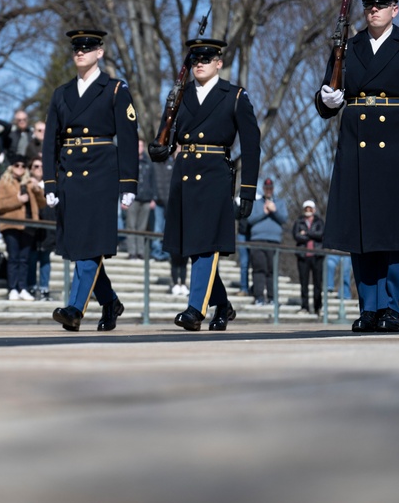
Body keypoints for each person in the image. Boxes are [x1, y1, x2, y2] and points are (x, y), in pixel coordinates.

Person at [315, 0, 399, 333]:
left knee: (394, 233)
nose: (374, 9)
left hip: (398, 149)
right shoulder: (349, 46)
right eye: (369, 4)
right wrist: (326, 100)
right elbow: (329, 93)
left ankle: (391, 306)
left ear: (395, 9)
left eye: (382, 4)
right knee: (361, 233)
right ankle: (368, 307)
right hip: (355, 147)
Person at [149, 37, 260, 330]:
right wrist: (158, 148)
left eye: (206, 60)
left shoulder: (234, 96)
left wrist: (248, 190)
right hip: (184, 175)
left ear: (219, 63)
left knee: (205, 246)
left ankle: (195, 310)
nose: (200, 64)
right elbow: (166, 136)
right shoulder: (179, 95)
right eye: (195, 60)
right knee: (191, 245)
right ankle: (221, 304)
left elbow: (251, 146)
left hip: (215, 175)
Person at [43, 29, 139, 331]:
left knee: (91, 245)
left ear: (100, 52)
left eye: (87, 48)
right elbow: (50, 142)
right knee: (79, 246)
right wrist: (50, 182)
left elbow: (127, 137)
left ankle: (75, 309)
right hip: (71, 175)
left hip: (101, 174)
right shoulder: (62, 93)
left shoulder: (114, 89)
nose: (80, 53)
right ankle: (109, 301)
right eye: (76, 49)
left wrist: (129, 184)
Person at [0, 154, 45, 301]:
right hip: (11, 225)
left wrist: (36, 190)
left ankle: (23, 287)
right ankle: (12, 288)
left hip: (29, 225)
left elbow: (42, 203)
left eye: (23, 166)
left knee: (25, 259)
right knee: (14, 257)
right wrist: (17, 200)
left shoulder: (29, 183)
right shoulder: (4, 182)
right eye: (17, 165)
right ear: (11, 167)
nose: (20, 168)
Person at [247, 178, 287, 305]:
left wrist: (274, 211)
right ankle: (259, 297)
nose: (268, 190)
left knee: (272, 270)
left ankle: (272, 298)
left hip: (274, 241)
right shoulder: (257, 203)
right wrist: (264, 212)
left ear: (273, 189)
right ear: (263, 189)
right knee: (259, 269)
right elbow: (250, 219)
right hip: (257, 240)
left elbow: (284, 218)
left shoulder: (280, 203)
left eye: (270, 188)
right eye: (266, 188)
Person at [27, 157, 56, 300]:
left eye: (42, 167)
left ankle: (44, 289)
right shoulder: (27, 184)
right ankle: (31, 287)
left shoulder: (51, 185)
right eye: (36, 166)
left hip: (48, 228)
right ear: (31, 169)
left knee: (45, 259)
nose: (39, 169)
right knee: (32, 258)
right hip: (32, 229)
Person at [123, 139, 156, 260]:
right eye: (138, 145)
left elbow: (153, 181)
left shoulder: (149, 163)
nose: (140, 148)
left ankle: (141, 252)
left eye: (141, 145)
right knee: (131, 226)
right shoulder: (129, 162)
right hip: (133, 199)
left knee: (142, 228)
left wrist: (154, 198)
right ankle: (132, 251)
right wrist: (123, 198)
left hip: (146, 199)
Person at [293, 199, 325, 315]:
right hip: (303, 256)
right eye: (306, 208)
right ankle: (305, 307)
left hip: (317, 255)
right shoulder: (299, 221)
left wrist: (306, 233)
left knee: (318, 283)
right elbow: (296, 236)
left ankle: (318, 307)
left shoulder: (319, 221)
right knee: (304, 283)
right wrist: (312, 235)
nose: (308, 210)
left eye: (310, 208)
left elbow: (321, 234)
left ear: (314, 209)